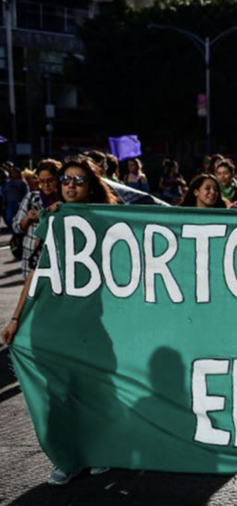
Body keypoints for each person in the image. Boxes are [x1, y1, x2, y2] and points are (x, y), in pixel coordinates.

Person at [2, 156, 117, 486]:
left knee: (93, 391)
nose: (70, 185)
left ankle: (97, 452)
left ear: (91, 186)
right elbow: (36, 273)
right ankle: (66, 459)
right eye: (66, 179)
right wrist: (15, 318)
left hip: (92, 323)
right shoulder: (53, 221)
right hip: (52, 322)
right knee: (57, 393)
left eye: (79, 180)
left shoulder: (108, 221)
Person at [12, 159, 61, 277]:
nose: (45, 185)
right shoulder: (32, 198)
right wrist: (28, 218)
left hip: (57, 261)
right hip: (32, 259)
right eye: (41, 181)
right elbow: (17, 228)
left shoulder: (66, 202)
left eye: (50, 180)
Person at [3, 166, 29, 231]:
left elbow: (27, 193)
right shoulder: (8, 183)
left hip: (20, 203)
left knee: (19, 218)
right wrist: (4, 203)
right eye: (12, 173)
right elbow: (5, 194)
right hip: (10, 204)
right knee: (8, 218)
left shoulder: (23, 183)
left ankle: (19, 231)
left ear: (19, 173)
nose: (14, 174)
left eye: (15, 172)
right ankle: (13, 230)